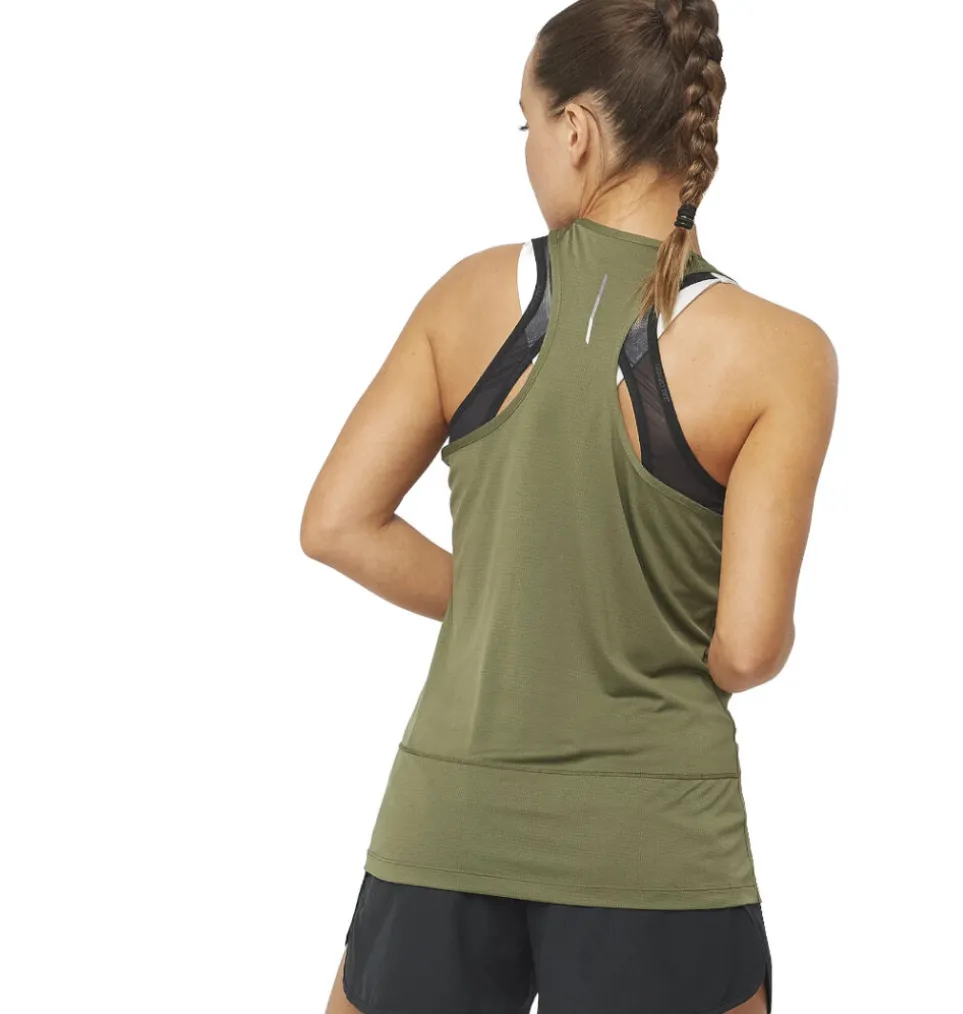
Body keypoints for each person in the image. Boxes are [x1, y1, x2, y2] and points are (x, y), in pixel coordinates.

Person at [301, 1, 838, 1011]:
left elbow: (336, 524)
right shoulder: (781, 352)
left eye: (527, 123)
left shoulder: (464, 298)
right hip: (655, 850)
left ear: (576, 130)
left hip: (446, 829)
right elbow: (746, 649)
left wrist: (516, 602)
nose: (529, 150)